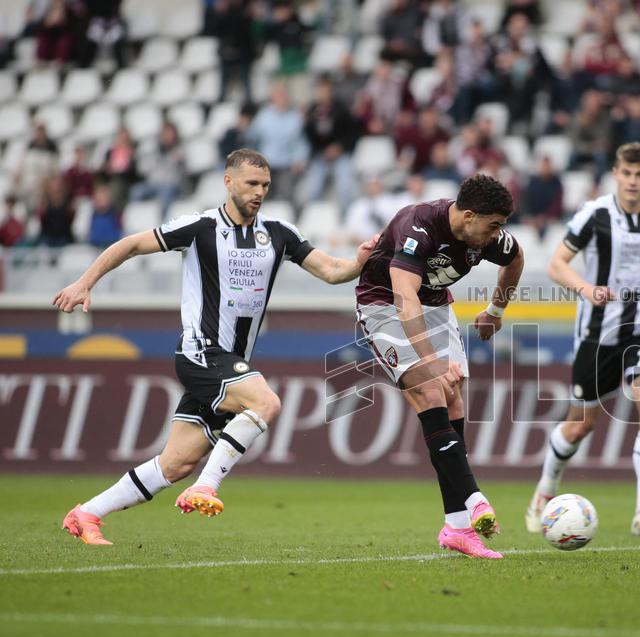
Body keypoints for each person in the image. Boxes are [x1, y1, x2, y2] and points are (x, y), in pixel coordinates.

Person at [55, 149, 375, 545]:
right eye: (251, 184)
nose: (259, 192)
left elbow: (330, 271)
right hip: (200, 351)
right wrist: (85, 282)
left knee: (175, 464)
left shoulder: (279, 233)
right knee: (266, 403)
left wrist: (360, 261)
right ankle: (207, 487)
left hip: (232, 362)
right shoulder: (200, 227)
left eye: (265, 186)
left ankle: (85, 514)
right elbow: (133, 244)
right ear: (228, 182)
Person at [524, 142, 640, 536]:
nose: (633, 181)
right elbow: (556, 264)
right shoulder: (594, 215)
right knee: (580, 426)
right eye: (627, 173)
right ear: (615, 174)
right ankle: (546, 489)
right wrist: (585, 289)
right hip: (597, 335)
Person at [355, 174, 524, 559]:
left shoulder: (489, 235)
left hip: (434, 304)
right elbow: (404, 297)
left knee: (453, 401)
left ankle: (457, 529)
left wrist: (496, 310)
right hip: (385, 304)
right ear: (468, 216)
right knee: (432, 388)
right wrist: (431, 361)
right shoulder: (417, 225)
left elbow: (516, 259)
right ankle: (475, 500)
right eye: (493, 225)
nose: (498, 233)